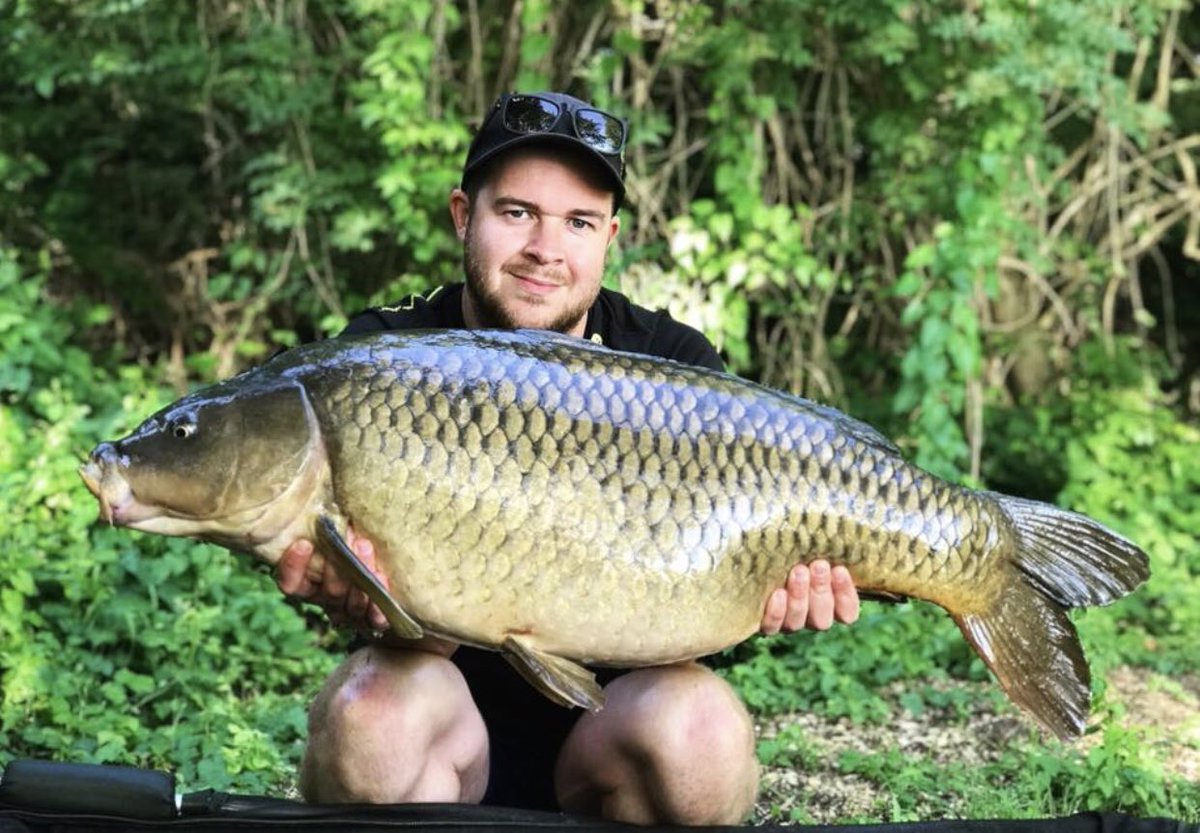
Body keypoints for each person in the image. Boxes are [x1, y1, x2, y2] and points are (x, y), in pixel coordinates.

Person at [274, 91, 860, 826]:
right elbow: (369, 605)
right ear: (464, 214)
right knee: (372, 715)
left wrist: (768, 597)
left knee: (702, 730)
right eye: (517, 212)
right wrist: (362, 595)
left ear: (608, 237)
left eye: (577, 222)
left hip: (609, 738)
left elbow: (702, 620)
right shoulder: (383, 360)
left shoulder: (673, 366)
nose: (545, 249)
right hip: (442, 729)